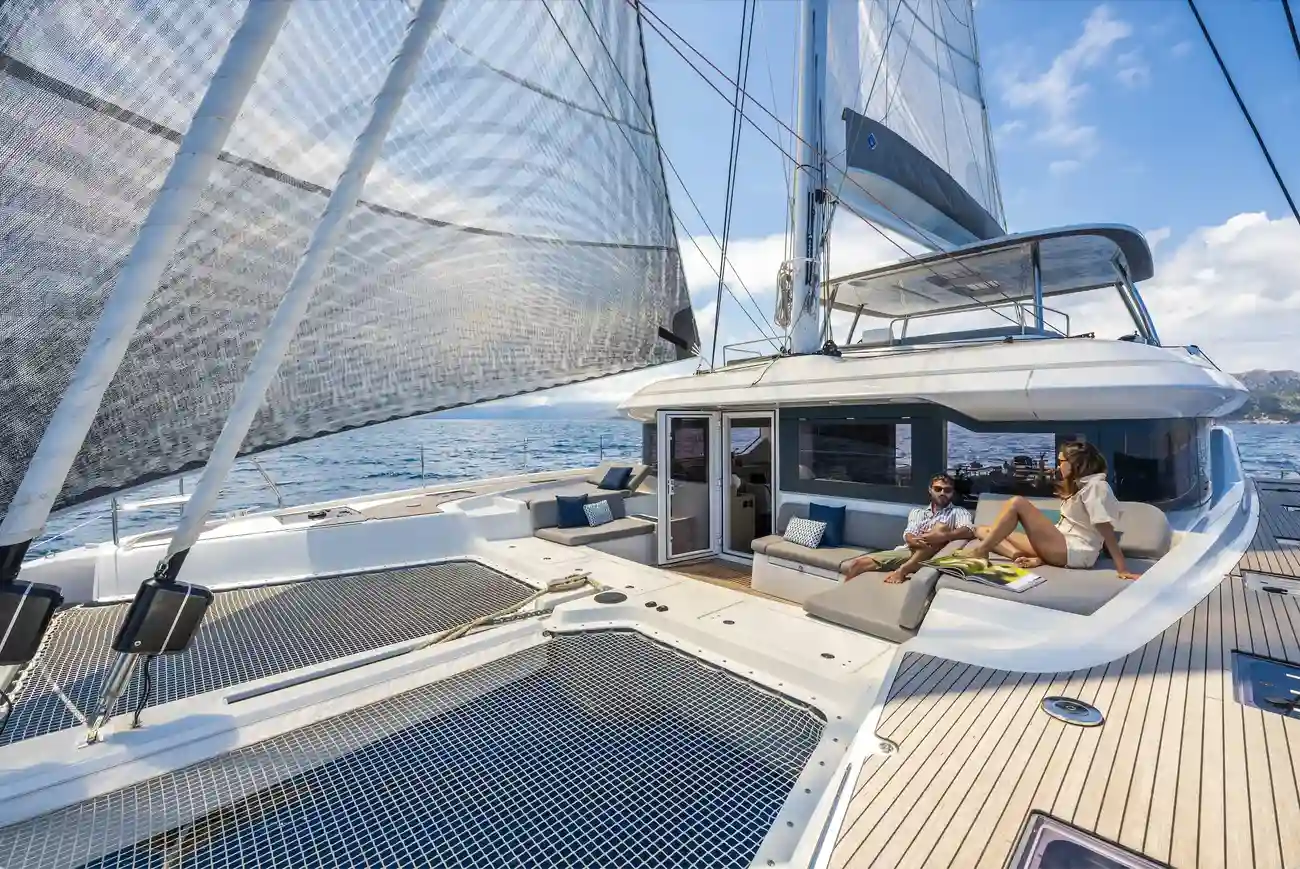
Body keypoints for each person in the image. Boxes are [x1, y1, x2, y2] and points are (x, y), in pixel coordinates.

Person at [968, 441, 1140, 580]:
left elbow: (1106, 530)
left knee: (1017, 503)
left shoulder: (1096, 487)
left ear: (1074, 463)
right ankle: (1020, 555)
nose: (1058, 467)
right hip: (1061, 544)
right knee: (984, 531)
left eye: (1061, 462)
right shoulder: (1081, 485)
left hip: (1075, 551)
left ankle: (980, 552)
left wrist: (1122, 569)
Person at [843, 474, 975, 584]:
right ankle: (844, 595)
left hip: (936, 556)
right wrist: (918, 540)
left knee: (940, 528)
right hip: (911, 552)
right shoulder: (918, 513)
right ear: (930, 490)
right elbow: (909, 534)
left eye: (947, 490)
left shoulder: (958, 512)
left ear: (952, 493)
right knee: (856, 564)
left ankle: (904, 570)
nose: (942, 493)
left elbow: (968, 530)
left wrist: (942, 536)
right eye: (938, 489)